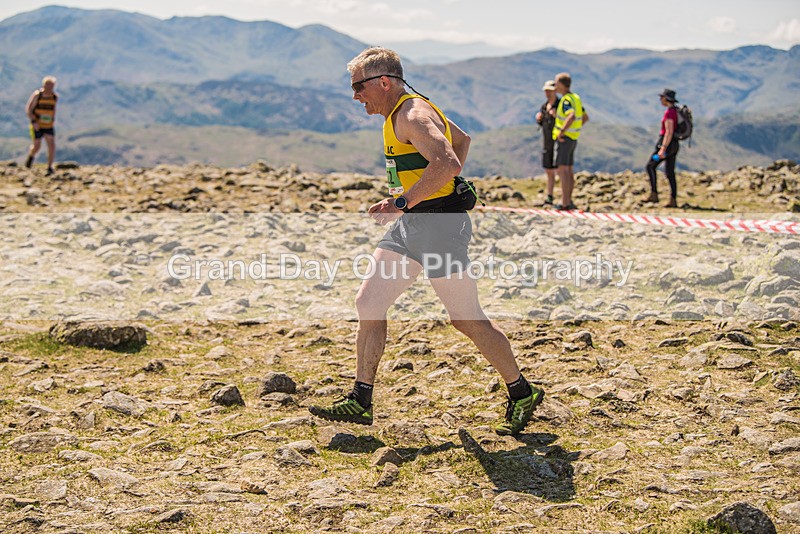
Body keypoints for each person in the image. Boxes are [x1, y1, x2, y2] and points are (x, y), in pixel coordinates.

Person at [308, 47, 544, 436]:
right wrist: (422, 198)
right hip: (414, 224)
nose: (355, 96)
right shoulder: (403, 111)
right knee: (369, 301)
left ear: (384, 82)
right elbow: (462, 140)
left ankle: (521, 391)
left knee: (465, 318)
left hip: (439, 228)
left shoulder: (413, 114)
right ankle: (360, 399)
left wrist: (406, 200)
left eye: (358, 87)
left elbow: (449, 161)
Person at [552, 72, 587, 211]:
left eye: (556, 83)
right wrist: (575, 130)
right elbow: (585, 117)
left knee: (563, 170)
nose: (555, 86)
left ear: (562, 85)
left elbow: (571, 116)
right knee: (569, 170)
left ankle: (565, 202)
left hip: (565, 138)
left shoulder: (566, 100)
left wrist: (562, 131)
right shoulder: (575, 98)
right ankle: (569, 200)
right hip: (573, 137)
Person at [644, 88, 680, 208]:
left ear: (666, 99)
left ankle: (654, 194)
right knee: (670, 172)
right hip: (674, 145)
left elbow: (668, 132)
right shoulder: (675, 111)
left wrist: (663, 148)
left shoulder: (669, 113)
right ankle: (673, 199)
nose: (660, 99)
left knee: (650, 166)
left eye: (662, 97)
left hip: (666, 144)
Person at [24, 76, 58, 176]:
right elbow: (29, 109)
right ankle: (31, 157)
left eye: (51, 85)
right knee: (37, 146)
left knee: (51, 145)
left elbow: (53, 110)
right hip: (37, 125)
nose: (50, 87)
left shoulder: (54, 97)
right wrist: (34, 121)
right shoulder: (37, 95)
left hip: (48, 125)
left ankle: (50, 167)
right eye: (48, 85)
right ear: (44, 85)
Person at [535, 80, 560, 205]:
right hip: (547, 142)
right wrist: (539, 119)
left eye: (550, 90)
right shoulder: (544, 106)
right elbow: (543, 124)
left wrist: (557, 116)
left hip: (558, 142)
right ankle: (549, 196)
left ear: (555, 90)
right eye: (546, 91)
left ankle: (563, 197)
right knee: (549, 170)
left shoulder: (560, 105)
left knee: (560, 170)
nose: (547, 93)